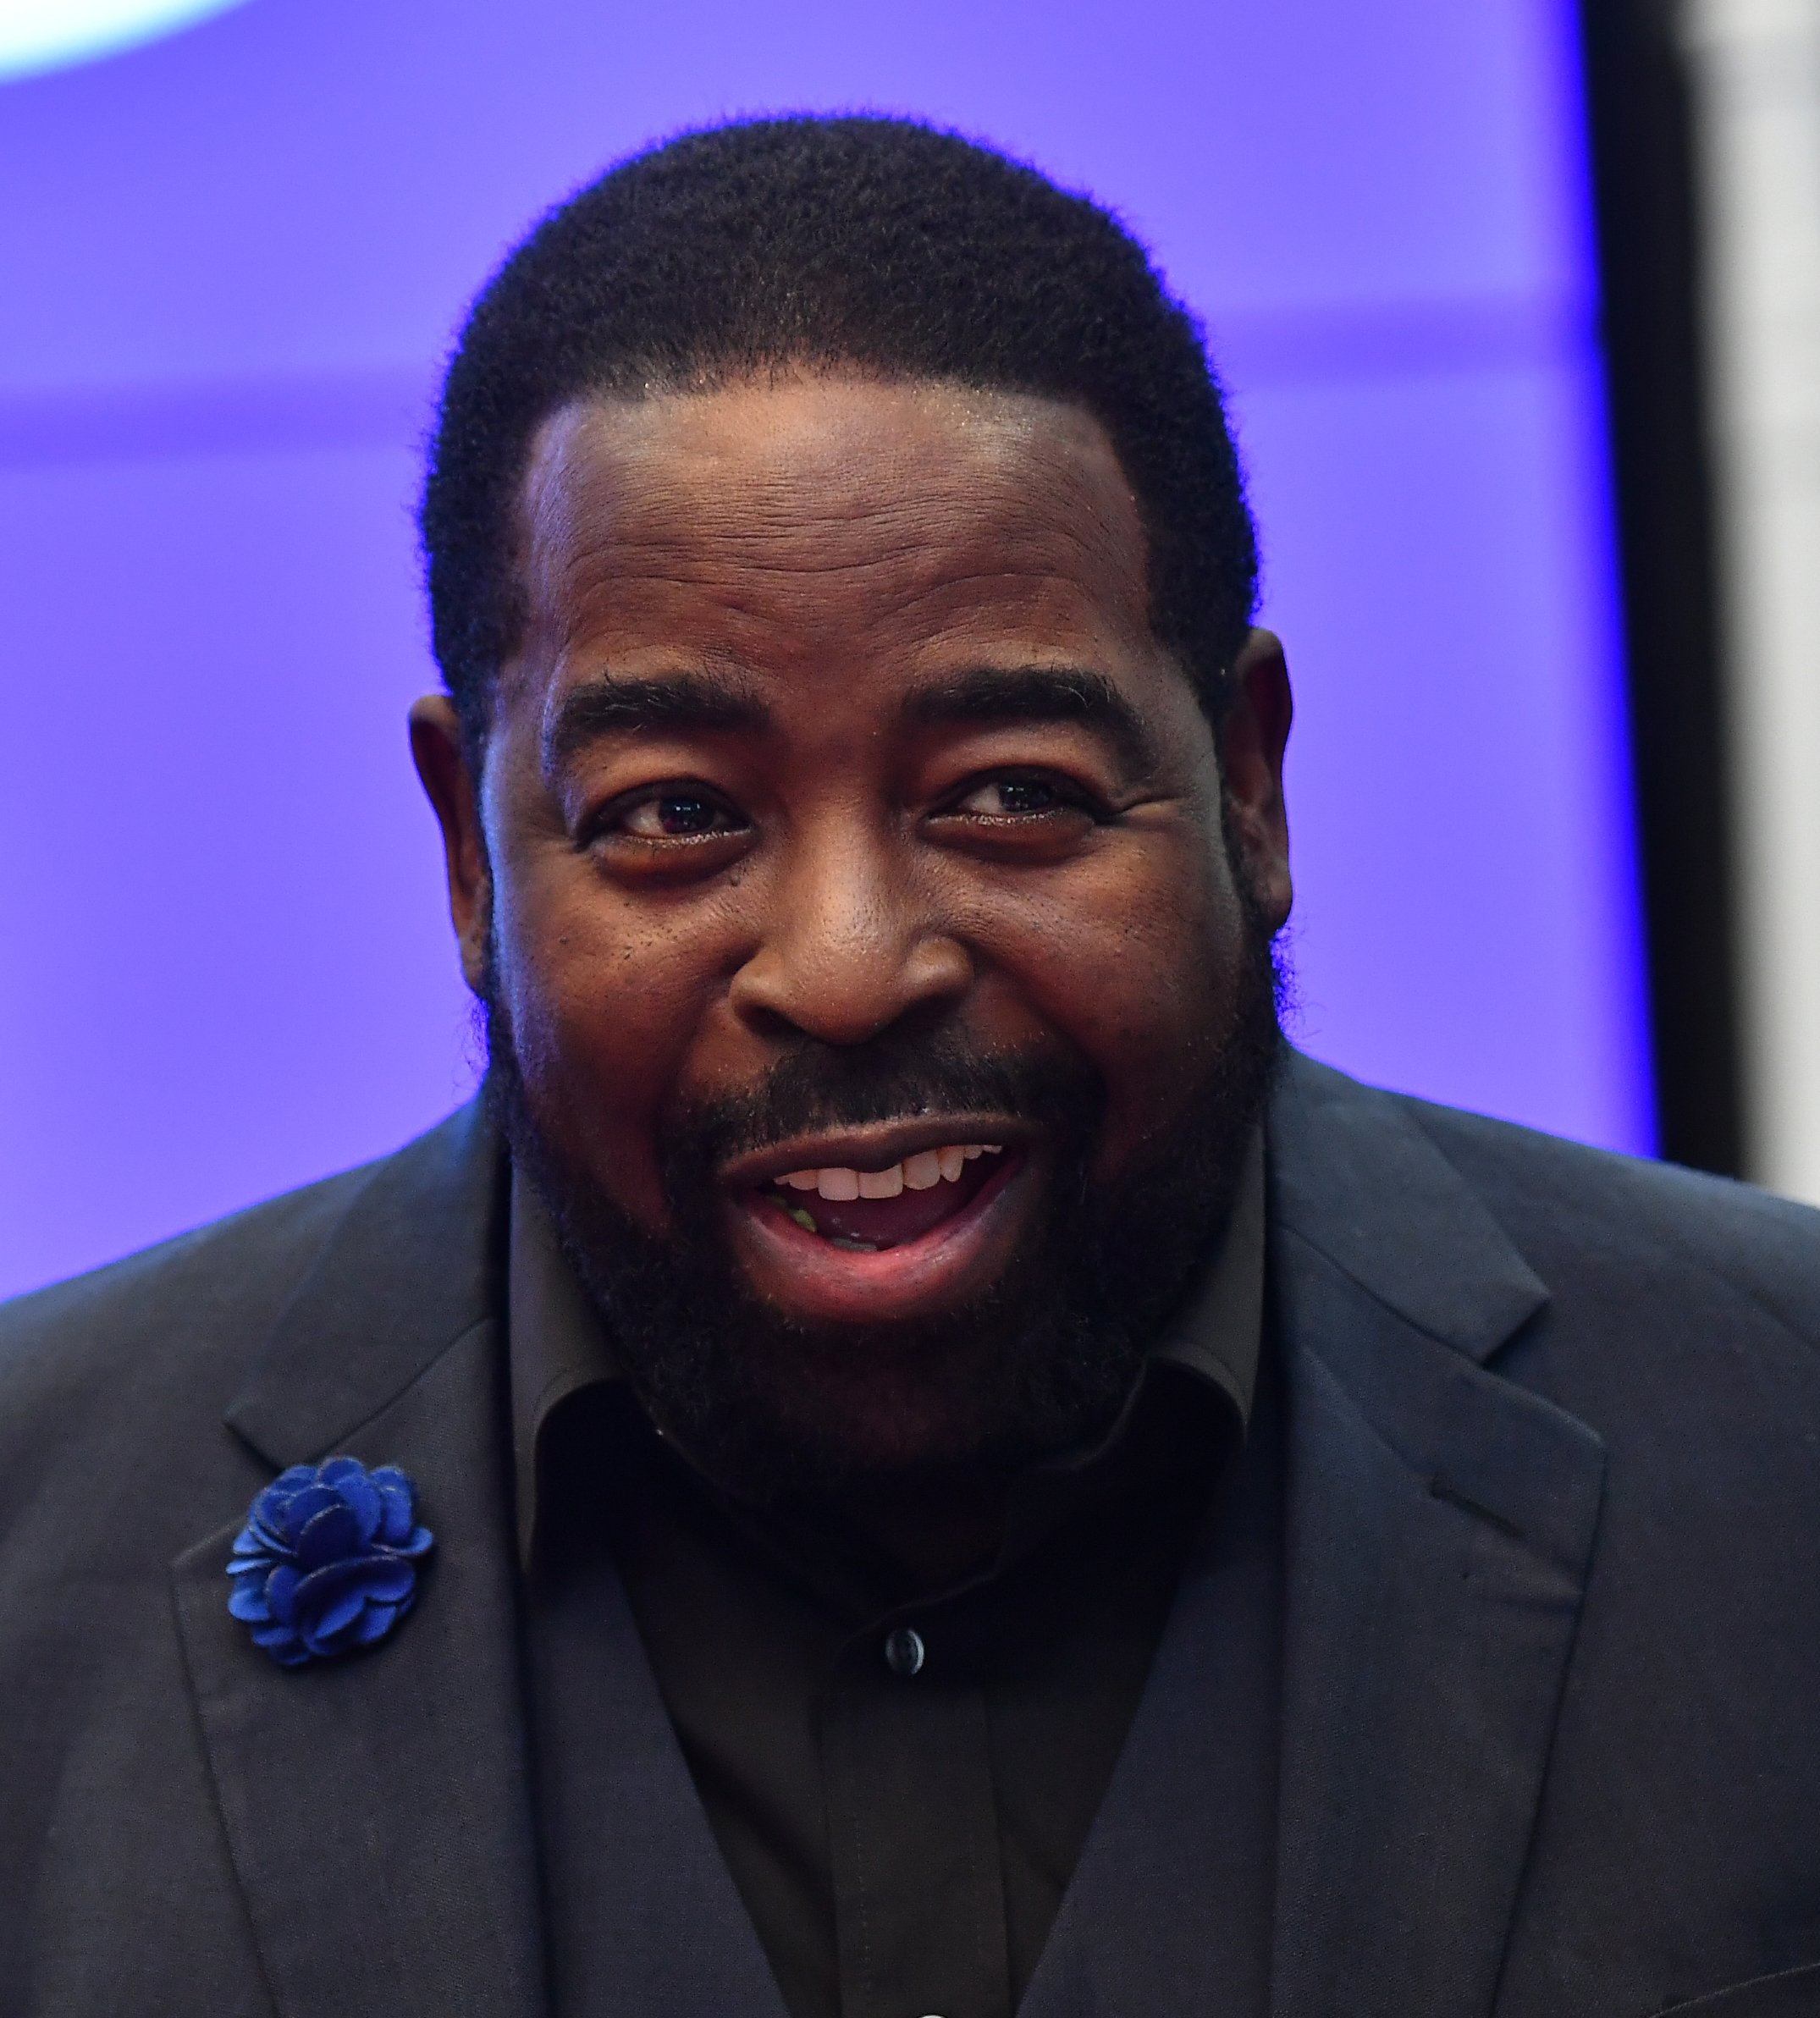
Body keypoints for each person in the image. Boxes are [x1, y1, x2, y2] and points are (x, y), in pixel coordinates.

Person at [3, 115, 1818, 2018]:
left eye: (1012, 794)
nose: (853, 968)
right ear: (469, 854)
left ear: (1249, 785)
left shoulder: (1778, 1455)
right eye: (676, 813)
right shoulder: (33, 1562)